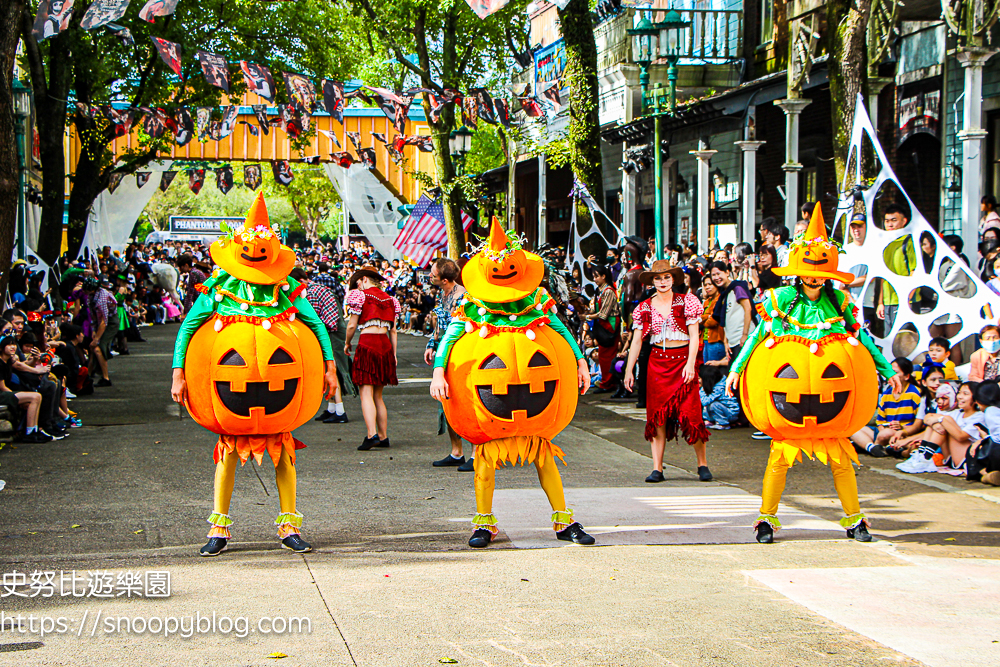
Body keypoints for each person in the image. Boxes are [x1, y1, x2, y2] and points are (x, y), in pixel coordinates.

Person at [725, 206, 903, 544]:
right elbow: (758, 335)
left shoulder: (839, 302)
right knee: (779, 460)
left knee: (842, 463)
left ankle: (854, 519)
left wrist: (886, 367)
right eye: (809, 270)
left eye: (821, 272)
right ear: (798, 271)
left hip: (832, 403)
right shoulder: (782, 300)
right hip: (789, 399)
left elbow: (862, 337)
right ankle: (767, 519)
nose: (815, 277)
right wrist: (737, 368)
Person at [172, 195, 337, 557]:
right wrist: (178, 373)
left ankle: (290, 525)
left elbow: (316, 326)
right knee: (227, 457)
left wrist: (329, 367)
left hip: (279, 393)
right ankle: (219, 528)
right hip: (231, 394)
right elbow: (187, 329)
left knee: (283, 456)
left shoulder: (285, 290)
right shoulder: (219, 289)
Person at [430, 219, 594, 548]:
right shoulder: (472, 307)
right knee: (484, 461)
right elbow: (449, 337)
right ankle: (484, 524)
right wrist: (438, 371)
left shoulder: (535, 301)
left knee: (544, 457)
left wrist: (579, 361)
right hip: (490, 404)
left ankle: (564, 520)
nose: (504, 270)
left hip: (535, 406)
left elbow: (561, 331)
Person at [623, 260, 712, 483]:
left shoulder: (687, 301)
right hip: (657, 364)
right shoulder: (643, 307)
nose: (662, 282)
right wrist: (629, 369)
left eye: (666, 278)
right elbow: (636, 342)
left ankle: (702, 464)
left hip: (683, 362)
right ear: (651, 281)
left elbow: (695, 336)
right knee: (657, 417)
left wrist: (691, 364)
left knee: (691, 414)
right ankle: (657, 468)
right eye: (658, 278)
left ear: (673, 280)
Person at [344, 265, 400, 451]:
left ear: (365, 279)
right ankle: (384, 436)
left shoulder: (361, 297)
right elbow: (393, 330)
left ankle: (371, 434)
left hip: (368, 343)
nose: (358, 286)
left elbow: (352, 325)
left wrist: (347, 342)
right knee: (378, 395)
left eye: (358, 282)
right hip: (384, 345)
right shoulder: (390, 299)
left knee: (365, 393)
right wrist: (393, 353)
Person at [425, 258, 473, 471]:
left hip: (460, 355)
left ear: (444, 279)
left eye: (433, 273)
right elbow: (440, 324)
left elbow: (459, 329)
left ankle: (476, 453)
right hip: (443, 354)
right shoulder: (441, 294)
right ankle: (456, 452)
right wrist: (431, 344)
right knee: (446, 402)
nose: (429, 275)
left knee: (465, 404)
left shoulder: (463, 297)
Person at [292, 268, 356, 425]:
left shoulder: (308, 292)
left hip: (331, 332)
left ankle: (340, 410)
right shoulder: (317, 288)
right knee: (331, 368)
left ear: (300, 281)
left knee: (332, 368)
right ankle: (332, 408)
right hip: (334, 329)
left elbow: (312, 321)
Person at [851, 357, 924, 458]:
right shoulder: (886, 394)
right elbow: (880, 421)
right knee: (853, 429)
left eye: (895, 372)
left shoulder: (914, 394)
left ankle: (867, 445)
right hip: (884, 432)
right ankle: (872, 447)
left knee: (886, 433)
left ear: (907, 376)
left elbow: (919, 424)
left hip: (902, 434)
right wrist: (881, 430)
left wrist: (902, 428)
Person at [0, 336, 49, 443]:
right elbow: (2, 387)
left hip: (7, 393)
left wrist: (35, 361)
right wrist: (16, 397)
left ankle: (34, 430)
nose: (12, 347)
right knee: (35, 396)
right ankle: (30, 432)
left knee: (31, 401)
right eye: (8, 345)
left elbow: (22, 365)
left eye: (14, 344)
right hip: (2, 394)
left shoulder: (8, 361)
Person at [876, 203, 915, 332]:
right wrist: (881, 302)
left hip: (905, 300)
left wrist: (908, 298)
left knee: (905, 341)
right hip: (888, 302)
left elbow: (914, 273)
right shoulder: (884, 245)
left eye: (894, 220)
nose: (890, 225)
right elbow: (883, 276)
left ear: (904, 221)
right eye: (887, 221)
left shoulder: (909, 242)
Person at [586, 265, 620, 395]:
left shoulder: (609, 291)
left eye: (596, 276)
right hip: (603, 326)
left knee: (607, 356)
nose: (595, 279)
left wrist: (588, 316)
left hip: (609, 326)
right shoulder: (600, 290)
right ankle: (606, 381)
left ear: (604, 276)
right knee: (603, 355)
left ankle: (608, 383)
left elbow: (603, 314)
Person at [709, 262, 752, 362]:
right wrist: (726, 342)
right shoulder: (724, 293)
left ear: (727, 272)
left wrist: (745, 335)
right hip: (732, 342)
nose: (716, 277)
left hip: (742, 340)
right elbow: (725, 320)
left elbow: (748, 309)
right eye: (713, 275)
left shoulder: (737, 288)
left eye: (719, 273)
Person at [700, 275, 726, 364]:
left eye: (710, 284)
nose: (707, 287)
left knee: (713, 371)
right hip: (705, 340)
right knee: (706, 370)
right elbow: (699, 317)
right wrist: (707, 317)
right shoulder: (707, 301)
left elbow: (712, 322)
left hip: (716, 341)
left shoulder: (720, 300)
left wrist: (705, 318)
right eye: (705, 285)